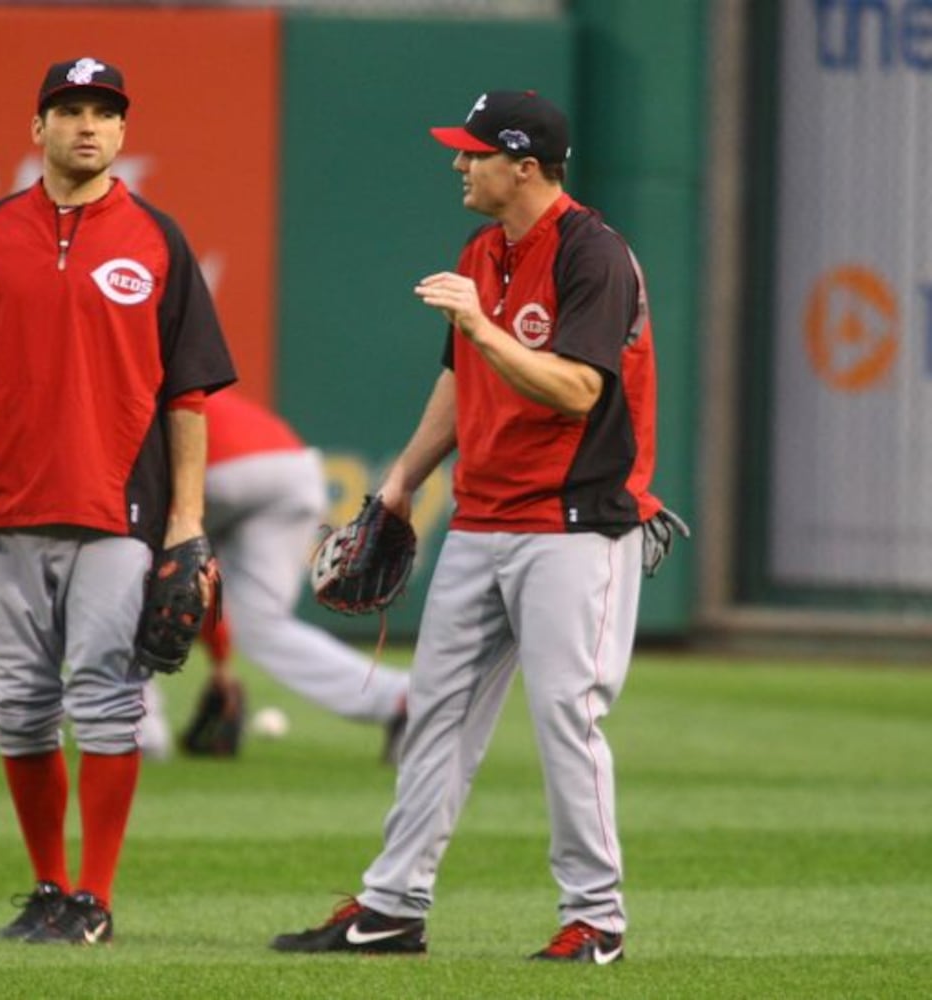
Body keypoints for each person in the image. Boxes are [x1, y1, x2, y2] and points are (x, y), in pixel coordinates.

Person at [271, 90, 667, 964]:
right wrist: (402, 481)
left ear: (524, 166)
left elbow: (577, 390)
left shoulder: (592, 256)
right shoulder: (482, 249)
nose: (459, 164)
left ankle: (596, 919)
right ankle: (391, 909)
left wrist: (483, 326)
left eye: (475, 152)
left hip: (575, 524)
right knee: (438, 714)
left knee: (567, 714)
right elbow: (460, 378)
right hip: (482, 519)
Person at [0, 56, 235, 945]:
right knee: (16, 709)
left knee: (104, 700)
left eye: (103, 112)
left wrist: (188, 522)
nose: (86, 125)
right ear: (37, 128)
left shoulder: (158, 240)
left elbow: (190, 394)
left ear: (124, 133)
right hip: (7, 510)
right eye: (69, 109)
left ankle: (95, 895)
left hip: (119, 513)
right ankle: (49, 887)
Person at [136, 389, 410, 763]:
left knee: (133, 573)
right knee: (260, 624)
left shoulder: (126, 389)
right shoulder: (181, 376)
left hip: (216, 469)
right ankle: (398, 699)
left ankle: (138, 732)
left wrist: (219, 659)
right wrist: (221, 666)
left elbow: (184, 568)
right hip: (293, 469)